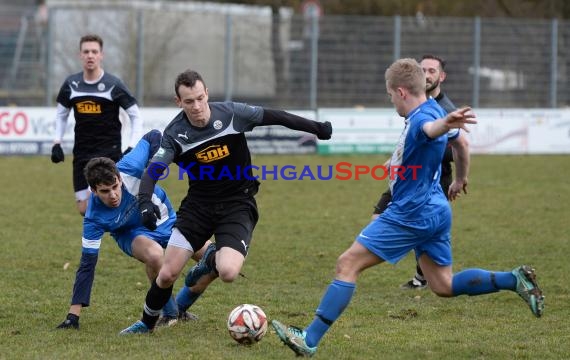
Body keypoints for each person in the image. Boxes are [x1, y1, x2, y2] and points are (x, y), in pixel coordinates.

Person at [271, 58, 544, 357]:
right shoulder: (432, 109)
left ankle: (309, 339)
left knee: (347, 264)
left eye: (390, 95)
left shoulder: (421, 120)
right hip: (437, 209)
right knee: (442, 284)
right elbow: (462, 144)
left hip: (411, 213)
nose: (391, 102)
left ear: (401, 92)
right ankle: (513, 279)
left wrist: (442, 127)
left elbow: (429, 130)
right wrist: (459, 178)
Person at [119, 69, 332, 334]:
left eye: (199, 98)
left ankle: (209, 262)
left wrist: (317, 128)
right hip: (198, 206)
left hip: (237, 204)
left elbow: (277, 116)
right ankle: (145, 324)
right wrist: (144, 202)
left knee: (228, 272)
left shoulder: (232, 114)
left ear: (207, 93)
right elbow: (153, 169)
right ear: (179, 102)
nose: (196, 107)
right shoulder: (175, 134)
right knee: (166, 274)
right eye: (189, 101)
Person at [56, 130, 205, 330]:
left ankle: (180, 307)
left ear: (119, 177)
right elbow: (87, 265)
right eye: (105, 191)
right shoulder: (93, 217)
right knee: (154, 255)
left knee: (214, 261)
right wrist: (72, 316)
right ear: (93, 191)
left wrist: (153, 167)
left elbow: (153, 136)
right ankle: (169, 312)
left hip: (166, 219)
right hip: (132, 234)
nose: (113, 195)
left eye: (115, 187)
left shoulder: (130, 166)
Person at [372, 54, 470, 290]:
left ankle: (420, 274)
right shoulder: (420, 106)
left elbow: (440, 138)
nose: (426, 75)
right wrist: (397, 159)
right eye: (422, 69)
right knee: (444, 285)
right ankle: (423, 274)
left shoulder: (441, 111)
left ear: (441, 76)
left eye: (432, 71)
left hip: (431, 180)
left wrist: (459, 178)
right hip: (411, 178)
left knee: (349, 262)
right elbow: (414, 140)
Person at [50, 34, 143, 216]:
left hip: (109, 153)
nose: (90, 55)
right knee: (84, 209)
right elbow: (61, 115)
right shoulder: (71, 84)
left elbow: (136, 116)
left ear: (101, 55)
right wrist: (56, 142)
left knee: (113, 201)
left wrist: (132, 145)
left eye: (94, 51)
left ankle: (127, 235)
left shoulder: (113, 85)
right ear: (80, 55)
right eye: (86, 51)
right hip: (82, 153)